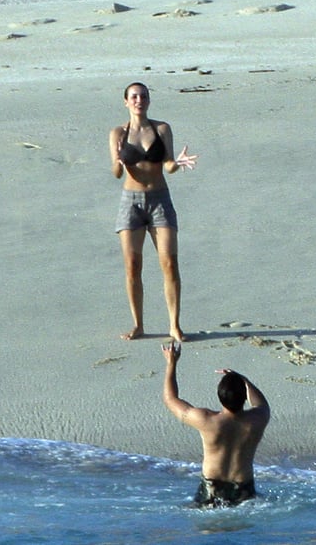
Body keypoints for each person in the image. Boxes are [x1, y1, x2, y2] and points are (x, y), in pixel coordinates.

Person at [109, 82, 198, 341]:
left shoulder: (161, 129)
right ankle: (138, 325)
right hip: (131, 203)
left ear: (148, 101)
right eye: (134, 96)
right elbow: (115, 174)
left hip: (160, 200)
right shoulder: (118, 133)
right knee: (133, 266)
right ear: (126, 101)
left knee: (169, 263)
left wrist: (177, 164)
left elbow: (168, 164)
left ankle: (174, 325)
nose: (139, 100)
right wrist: (118, 160)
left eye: (143, 96)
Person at [161, 341, 271, 507]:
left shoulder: (206, 420)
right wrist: (243, 380)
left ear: (220, 397)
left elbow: (170, 399)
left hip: (211, 488)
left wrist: (171, 363)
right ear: (244, 397)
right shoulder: (257, 419)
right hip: (243, 488)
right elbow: (260, 403)